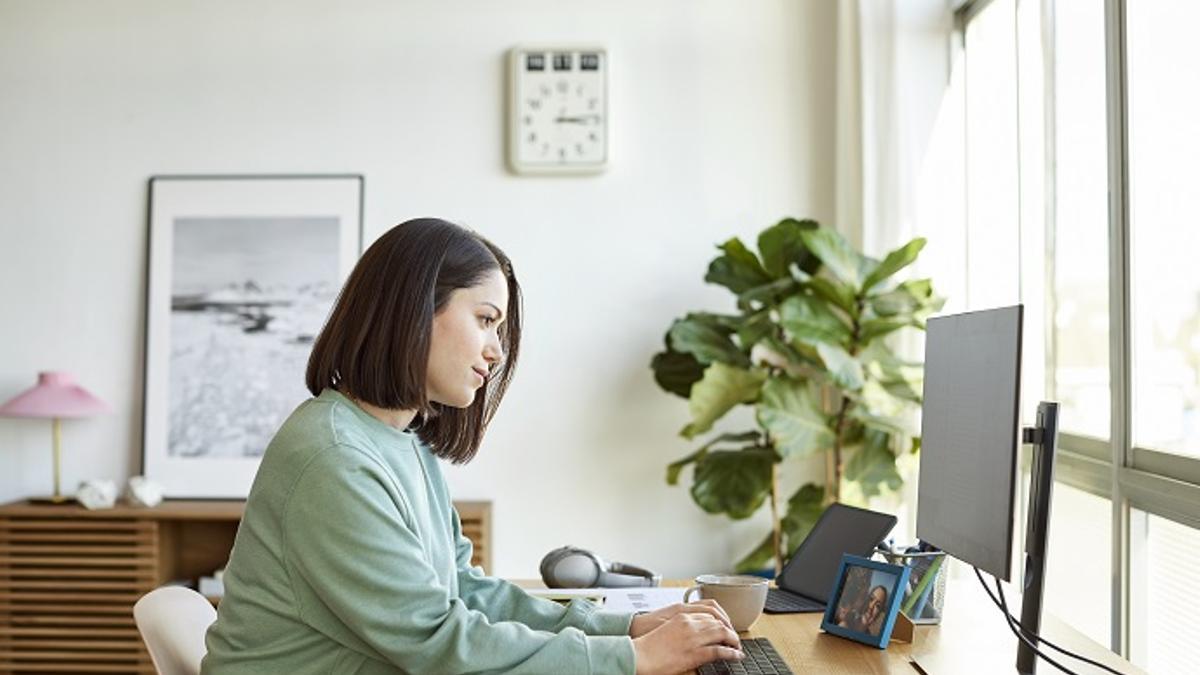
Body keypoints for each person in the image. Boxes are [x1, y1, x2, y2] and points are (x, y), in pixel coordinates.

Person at [201, 218, 744, 674]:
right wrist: (631, 658)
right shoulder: (334, 457)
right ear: (414, 309)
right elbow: (436, 639)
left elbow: (463, 592)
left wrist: (622, 627)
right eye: (486, 320)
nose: (496, 352)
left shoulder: (399, 442)